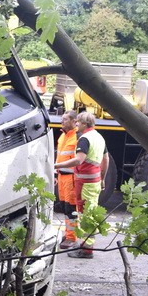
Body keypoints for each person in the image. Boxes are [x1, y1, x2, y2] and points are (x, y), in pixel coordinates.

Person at [54, 111, 108, 259]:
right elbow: (106, 159)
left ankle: (86, 249)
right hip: (94, 181)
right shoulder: (99, 137)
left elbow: (78, 160)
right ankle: (85, 244)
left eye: (78, 122)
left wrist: (56, 165)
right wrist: (102, 178)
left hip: (85, 182)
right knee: (89, 213)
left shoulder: (84, 139)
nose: (76, 124)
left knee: (86, 215)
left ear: (84, 124)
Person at [55, 110, 79, 250]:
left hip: (71, 178)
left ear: (73, 121)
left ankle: (72, 237)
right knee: (64, 207)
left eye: (65, 119)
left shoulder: (77, 137)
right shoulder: (63, 137)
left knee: (71, 209)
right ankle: (69, 234)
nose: (61, 121)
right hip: (62, 177)